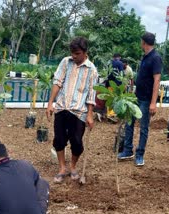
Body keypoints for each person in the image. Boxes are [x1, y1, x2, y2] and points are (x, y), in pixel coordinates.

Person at [46, 37, 97, 183]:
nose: (74, 56)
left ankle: (73, 166)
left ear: (85, 52)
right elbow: (57, 82)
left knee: (77, 142)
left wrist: (90, 115)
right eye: (72, 53)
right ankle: (62, 168)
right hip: (62, 108)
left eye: (77, 53)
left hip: (79, 111)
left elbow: (91, 94)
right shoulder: (65, 62)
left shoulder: (91, 69)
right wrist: (51, 103)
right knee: (59, 140)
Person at [118, 32, 162, 166]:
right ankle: (127, 150)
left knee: (143, 128)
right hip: (137, 97)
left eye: (141, 41)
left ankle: (140, 155)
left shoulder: (155, 58)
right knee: (129, 123)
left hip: (146, 99)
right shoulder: (145, 56)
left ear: (143, 42)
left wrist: (153, 102)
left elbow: (157, 80)